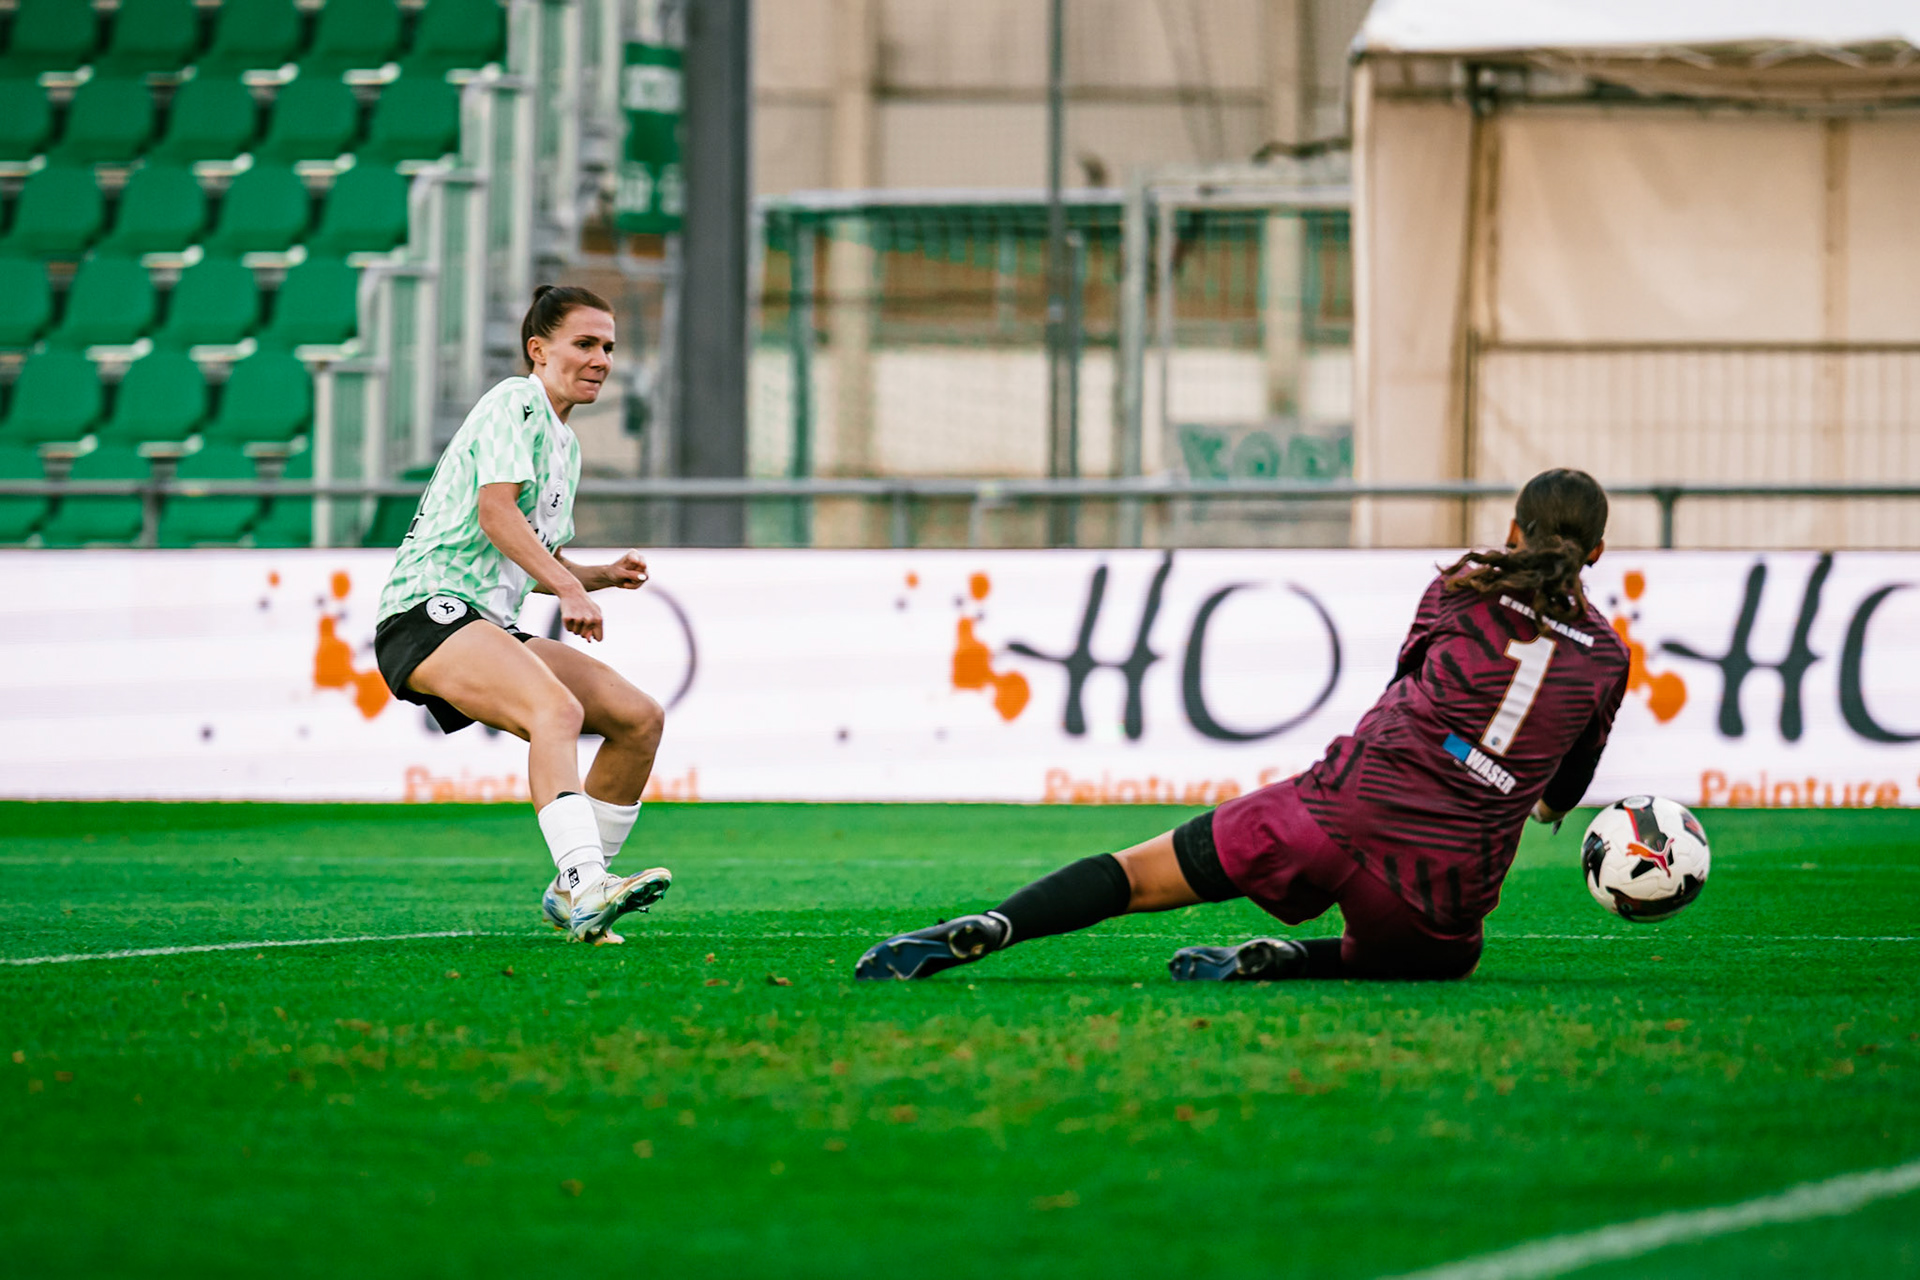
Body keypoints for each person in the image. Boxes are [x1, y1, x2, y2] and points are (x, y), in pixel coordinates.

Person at [857, 468, 1631, 982]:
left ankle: (995, 924)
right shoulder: (1605, 658)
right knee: (1447, 961)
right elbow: (1559, 795)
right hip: (1443, 874)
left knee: (1135, 876)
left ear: (1513, 527)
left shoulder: (1463, 585)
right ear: (1598, 550)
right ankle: (1288, 959)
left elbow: (1408, 687)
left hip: (1336, 809)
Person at [373, 285, 671, 946]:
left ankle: (579, 893)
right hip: (426, 611)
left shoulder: (565, 445)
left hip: (484, 617)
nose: (601, 360)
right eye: (585, 344)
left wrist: (593, 577)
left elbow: (531, 551)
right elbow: (497, 515)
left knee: (638, 719)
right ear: (538, 351)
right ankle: (585, 880)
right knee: (556, 711)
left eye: (609, 347)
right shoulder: (514, 402)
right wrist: (569, 588)